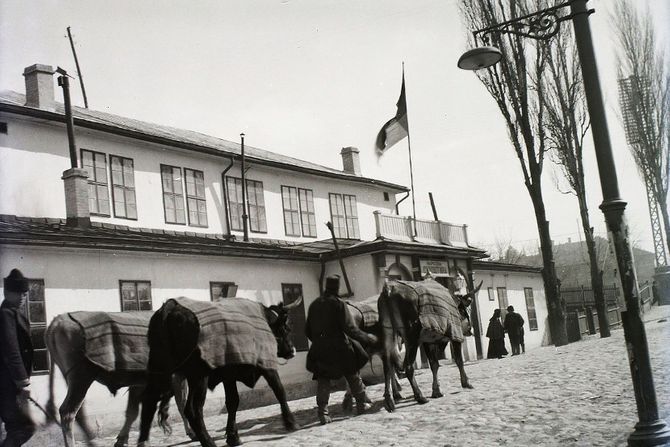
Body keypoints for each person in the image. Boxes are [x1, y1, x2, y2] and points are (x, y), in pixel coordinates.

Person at [305, 275, 378, 425]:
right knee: (353, 375)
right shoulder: (339, 304)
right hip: (339, 348)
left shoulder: (314, 304)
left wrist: (320, 342)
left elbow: (307, 330)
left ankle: (323, 413)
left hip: (319, 349)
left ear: (326, 287)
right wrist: (367, 337)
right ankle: (361, 405)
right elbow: (350, 329)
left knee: (323, 380)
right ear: (337, 288)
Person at [0, 269, 35, 447]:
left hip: (10, 384)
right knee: (23, 428)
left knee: (21, 427)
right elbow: (11, 350)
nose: (22, 297)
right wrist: (23, 382)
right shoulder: (6, 314)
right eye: (17, 293)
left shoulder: (13, 313)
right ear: (6, 292)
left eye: (24, 293)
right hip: (8, 384)